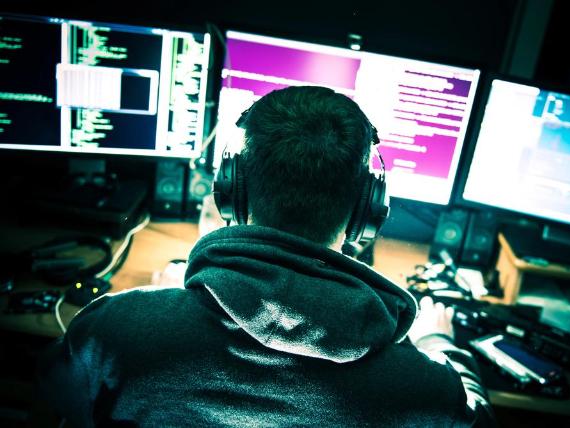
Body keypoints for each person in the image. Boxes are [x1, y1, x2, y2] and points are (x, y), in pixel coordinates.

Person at [38, 86, 495, 426]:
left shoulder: (113, 329)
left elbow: (55, 401)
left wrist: (162, 309)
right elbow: (479, 419)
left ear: (231, 192)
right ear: (367, 212)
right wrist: (439, 343)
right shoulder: (424, 390)